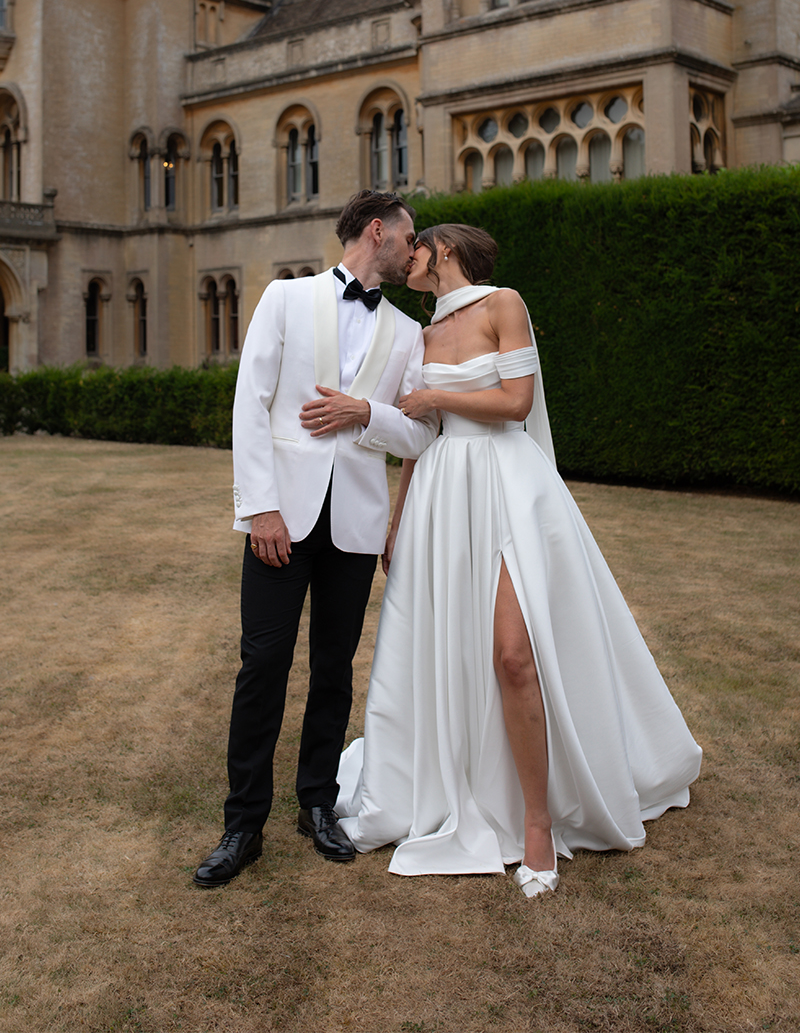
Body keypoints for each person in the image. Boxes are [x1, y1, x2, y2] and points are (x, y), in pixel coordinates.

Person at [336, 223, 702, 897]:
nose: (407, 255)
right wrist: (397, 521)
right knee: (457, 651)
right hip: (442, 498)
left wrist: (437, 396)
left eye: (417, 247)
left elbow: (516, 403)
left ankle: (538, 823)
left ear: (445, 250)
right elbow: (417, 440)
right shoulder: (420, 336)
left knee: (513, 654)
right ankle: (466, 789)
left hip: (507, 488)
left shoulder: (503, 304)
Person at [193, 191, 438, 888]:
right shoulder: (285, 298)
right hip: (282, 520)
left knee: (334, 670)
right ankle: (243, 825)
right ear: (377, 231)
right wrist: (261, 509)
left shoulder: (409, 332)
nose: (414, 251)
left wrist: (366, 413)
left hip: (354, 525)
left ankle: (318, 804)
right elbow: (251, 404)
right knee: (262, 665)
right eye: (409, 237)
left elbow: (422, 432)